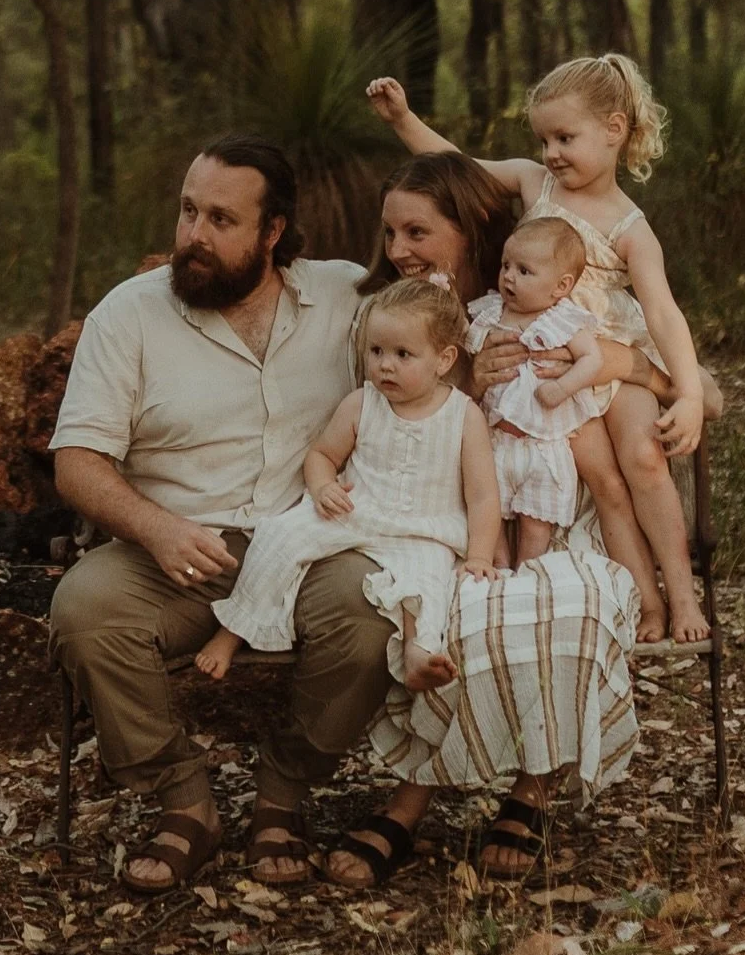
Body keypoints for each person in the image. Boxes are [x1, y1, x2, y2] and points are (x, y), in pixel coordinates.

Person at [49, 134, 386, 895]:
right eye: (187, 211)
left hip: (310, 544)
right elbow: (77, 462)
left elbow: (462, 270)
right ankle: (185, 800)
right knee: (83, 611)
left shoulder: (344, 296)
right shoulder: (129, 314)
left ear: (274, 232)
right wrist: (156, 529)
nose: (194, 235)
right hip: (175, 551)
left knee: (374, 614)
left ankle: (283, 793)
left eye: (221, 219)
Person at [368, 57, 711, 643]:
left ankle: (681, 596)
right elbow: (459, 167)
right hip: (541, 367)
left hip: (606, 354)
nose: (551, 151)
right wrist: (403, 119)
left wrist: (692, 392)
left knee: (644, 459)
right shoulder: (535, 182)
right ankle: (638, 600)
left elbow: (662, 312)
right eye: (544, 138)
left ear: (615, 128)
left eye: (565, 137)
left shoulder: (631, 228)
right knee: (598, 477)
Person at [197, 279, 500, 694]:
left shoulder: (464, 417)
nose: (385, 365)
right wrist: (322, 488)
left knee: (430, 580)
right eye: (376, 352)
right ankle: (235, 626)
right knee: (279, 537)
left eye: (402, 354)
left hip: (423, 530)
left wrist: (480, 554)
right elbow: (322, 455)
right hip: (356, 512)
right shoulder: (362, 403)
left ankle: (418, 651)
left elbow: (483, 496)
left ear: (444, 359)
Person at [466, 219, 609, 569]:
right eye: (506, 266)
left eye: (524, 271)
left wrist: (562, 387)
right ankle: (496, 570)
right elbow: (468, 352)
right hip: (496, 442)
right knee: (488, 516)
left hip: (543, 447)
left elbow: (593, 360)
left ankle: (529, 576)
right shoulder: (490, 313)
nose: (509, 277)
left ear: (561, 286)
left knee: (535, 528)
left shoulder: (561, 320)